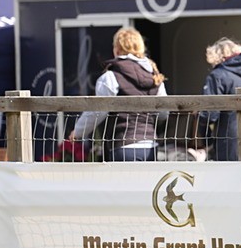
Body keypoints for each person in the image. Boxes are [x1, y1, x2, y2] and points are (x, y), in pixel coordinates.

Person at [68, 27, 167, 162]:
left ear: (117, 50)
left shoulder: (111, 76)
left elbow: (98, 111)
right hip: (150, 146)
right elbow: (164, 113)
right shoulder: (155, 77)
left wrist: (78, 132)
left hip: (123, 145)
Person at [200, 37, 241, 161]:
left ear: (218, 58)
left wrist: (204, 137)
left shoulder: (217, 76)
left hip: (229, 142)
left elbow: (210, 114)